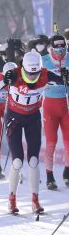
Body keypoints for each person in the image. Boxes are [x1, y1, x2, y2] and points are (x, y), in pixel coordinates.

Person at [2, 50, 68, 213]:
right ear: (23, 69)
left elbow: (61, 80)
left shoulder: (45, 75)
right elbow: (4, 75)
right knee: (17, 161)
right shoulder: (15, 74)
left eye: (36, 74)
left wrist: (66, 77)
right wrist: (7, 76)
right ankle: (11, 199)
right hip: (14, 119)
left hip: (33, 118)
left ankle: (35, 200)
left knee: (33, 161)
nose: (32, 78)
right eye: (29, 74)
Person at [41, 34, 69, 189]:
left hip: (67, 104)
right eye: (57, 50)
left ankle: (67, 171)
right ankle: (49, 175)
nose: (60, 53)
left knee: (68, 142)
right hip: (50, 105)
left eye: (63, 49)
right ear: (51, 48)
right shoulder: (44, 60)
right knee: (51, 142)